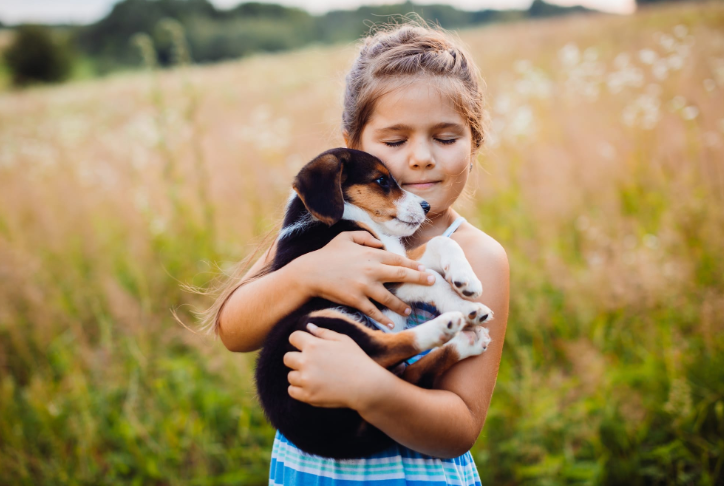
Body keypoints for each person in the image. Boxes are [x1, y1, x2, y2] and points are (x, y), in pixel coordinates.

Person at [204, 21, 509, 486]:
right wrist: (305, 275)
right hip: (310, 471)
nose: (422, 157)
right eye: (394, 141)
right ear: (352, 148)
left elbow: (460, 428)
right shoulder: (317, 231)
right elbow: (233, 330)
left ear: (475, 141)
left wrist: (369, 388)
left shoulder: (478, 255)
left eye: (446, 138)